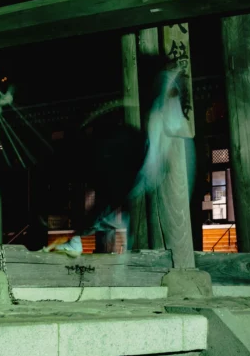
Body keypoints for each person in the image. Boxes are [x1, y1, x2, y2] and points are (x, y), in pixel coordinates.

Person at [46, 56, 195, 258]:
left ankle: (82, 240)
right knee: (111, 204)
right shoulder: (160, 115)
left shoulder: (165, 116)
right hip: (145, 165)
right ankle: (87, 240)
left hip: (147, 165)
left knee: (111, 202)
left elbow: (164, 110)